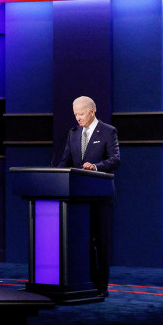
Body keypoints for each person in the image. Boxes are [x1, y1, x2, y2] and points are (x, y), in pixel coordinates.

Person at [55, 95, 120, 298]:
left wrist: (96, 167)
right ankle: (85, 282)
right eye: (75, 114)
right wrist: (53, 177)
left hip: (100, 195)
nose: (78, 118)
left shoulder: (108, 131)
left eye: (81, 113)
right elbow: (65, 161)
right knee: (82, 241)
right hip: (77, 197)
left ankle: (101, 287)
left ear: (92, 111)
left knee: (100, 241)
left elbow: (115, 159)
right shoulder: (73, 134)